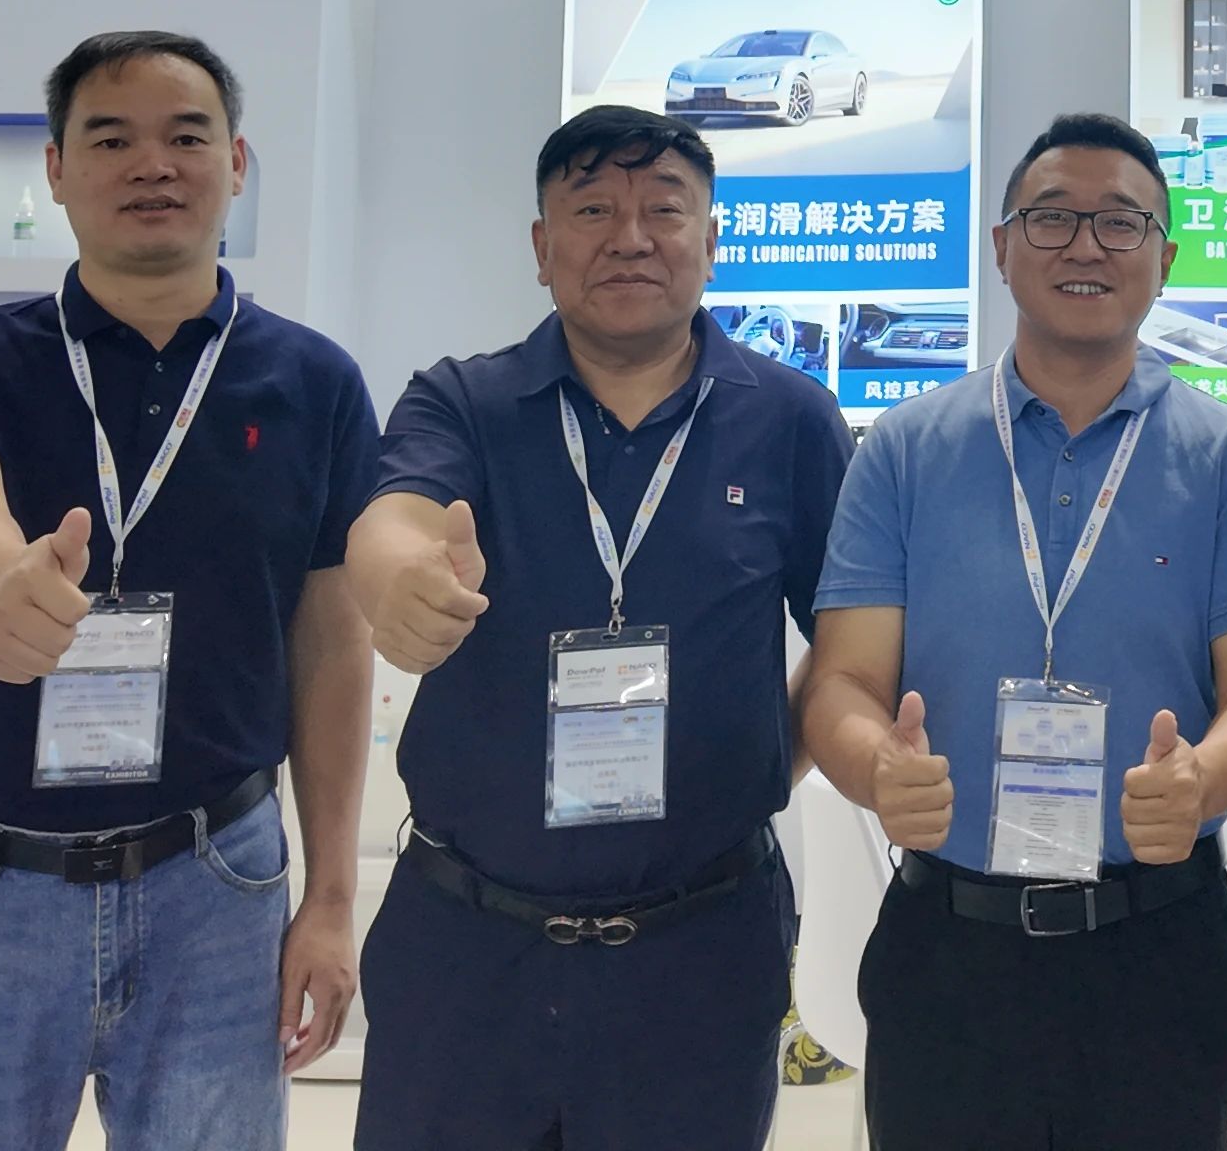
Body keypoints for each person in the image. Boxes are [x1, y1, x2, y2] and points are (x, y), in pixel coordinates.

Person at [0, 31, 377, 1151]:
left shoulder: (315, 383)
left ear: (235, 163)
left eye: (186, 136)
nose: (153, 164)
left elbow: (331, 644)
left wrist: (332, 899)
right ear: (56, 170)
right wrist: (1, 578)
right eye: (110, 139)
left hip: (219, 886)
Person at [342, 106, 851, 1151]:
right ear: (542, 247)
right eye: (591, 211)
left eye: (664, 210)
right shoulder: (463, 401)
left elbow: (853, 645)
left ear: (712, 240)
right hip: (466, 942)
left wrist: (760, 767)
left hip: (700, 949)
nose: (630, 238)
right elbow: (392, 521)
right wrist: (399, 580)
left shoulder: (791, 420)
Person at [804, 112, 1227, 1151]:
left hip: (1155, 948)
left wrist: (1203, 782)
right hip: (949, 947)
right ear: (1000, 247)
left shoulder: (1226, 456)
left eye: (1121, 223)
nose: (1086, 246)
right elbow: (844, 680)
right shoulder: (904, 449)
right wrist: (873, 768)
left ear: (1165, 260)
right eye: (1051, 219)